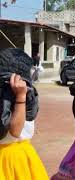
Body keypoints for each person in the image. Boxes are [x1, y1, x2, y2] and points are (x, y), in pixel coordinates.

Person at [0, 48, 49, 179]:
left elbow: (14, 132)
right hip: (16, 157)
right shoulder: (26, 93)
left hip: (13, 159)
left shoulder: (24, 94)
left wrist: (21, 96)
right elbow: (16, 131)